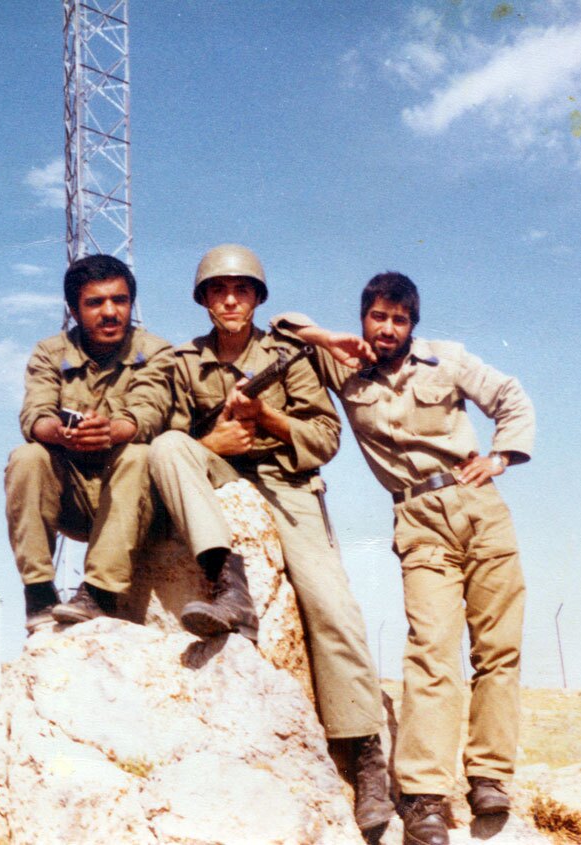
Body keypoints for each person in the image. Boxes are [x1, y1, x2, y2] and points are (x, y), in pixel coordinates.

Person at [273, 272, 535, 845]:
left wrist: (501, 456)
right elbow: (282, 326)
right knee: (431, 651)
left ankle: (489, 777)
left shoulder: (447, 359)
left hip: (479, 506)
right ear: (363, 318)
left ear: (413, 325)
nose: (387, 328)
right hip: (418, 519)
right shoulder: (343, 365)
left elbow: (510, 397)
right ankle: (425, 798)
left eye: (399, 319)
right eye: (378, 317)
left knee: (498, 650)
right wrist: (327, 338)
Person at [147, 244, 394, 834]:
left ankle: (363, 753)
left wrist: (267, 419)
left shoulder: (289, 356)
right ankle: (229, 586)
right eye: (218, 290)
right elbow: (169, 439)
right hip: (220, 472)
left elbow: (326, 435)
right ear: (204, 299)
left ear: (257, 298)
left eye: (242, 290)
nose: (231, 300)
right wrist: (213, 442)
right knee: (167, 448)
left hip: (288, 483)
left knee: (331, 604)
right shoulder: (183, 362)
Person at [5, 254, 174, 632]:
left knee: (138, 454)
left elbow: (149, 411)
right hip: (73, 497)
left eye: (120, 300)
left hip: (133, 499)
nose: (110, 312)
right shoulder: (50, 352)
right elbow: (34, 415)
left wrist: (112, 431)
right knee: (27, 457)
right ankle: (39, 593)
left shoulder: (156, 351)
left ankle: (99, 593)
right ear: (74, 310)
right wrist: (61, 433)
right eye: (95, 303)